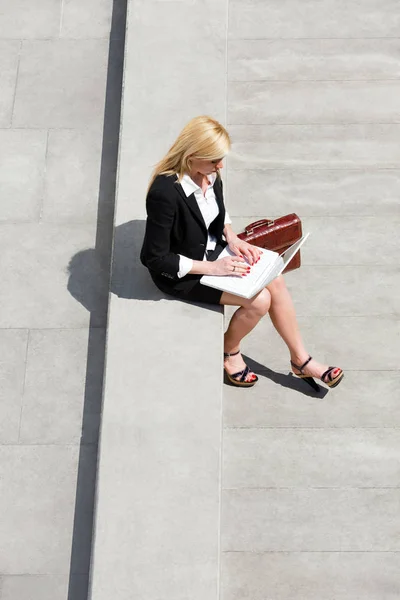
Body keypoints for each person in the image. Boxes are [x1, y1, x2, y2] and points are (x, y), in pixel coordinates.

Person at [140, 116, 343, 389]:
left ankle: (301, 360)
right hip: (187, 272)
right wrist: (212, 268)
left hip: (218, 254)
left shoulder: (210, 174)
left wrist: (231, 236)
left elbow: (216, 209)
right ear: (191, 156)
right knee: (259, 301)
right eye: (214, 160)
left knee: (276, 279)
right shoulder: (164, 193)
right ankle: (229, 351)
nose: (220, 166)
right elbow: (153, 257)